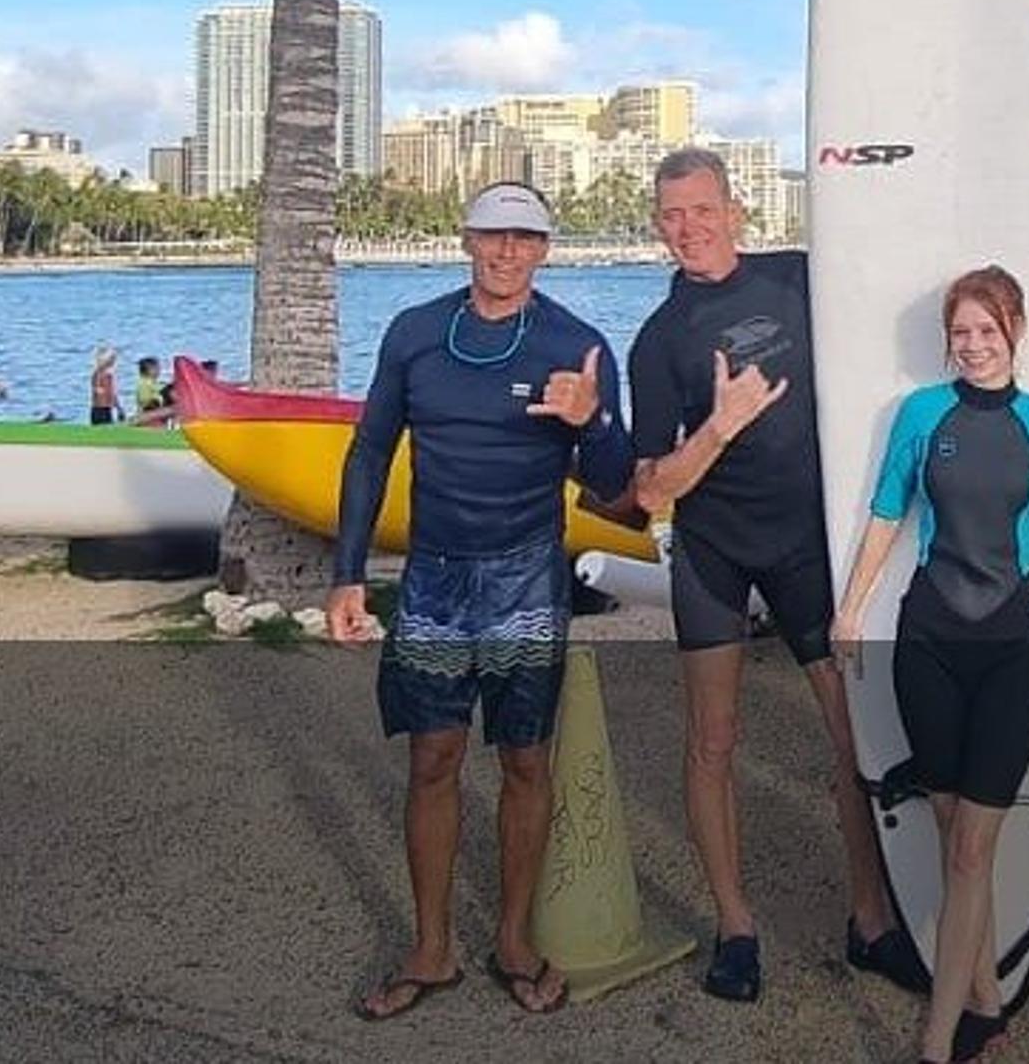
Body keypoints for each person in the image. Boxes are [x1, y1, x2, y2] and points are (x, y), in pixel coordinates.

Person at [324, 180, 634, 1021]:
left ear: (544, 248)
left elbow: (616, 488)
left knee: (526, 760)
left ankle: (513, 938)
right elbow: (368, 452)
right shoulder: (417, 332)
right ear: (466, 238)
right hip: (433, 577)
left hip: (528, 576)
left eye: (524, 238)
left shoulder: (577, 344)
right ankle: (431, 947)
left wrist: (592, 418)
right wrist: (348, 573)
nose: (506, 252)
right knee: (432, 758)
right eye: (492, 235)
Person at [625, 146, 912, 1004]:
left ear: (735, 209)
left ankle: (871, 920)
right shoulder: (658, 340)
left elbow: (906, 270)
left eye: (702, 209)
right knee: (712, 744)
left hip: (804, 547)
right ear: (657, 224)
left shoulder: (796, 278)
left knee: (852, 737)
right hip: (713, 551)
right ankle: (736, 925)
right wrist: (719, 425)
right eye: (672, 215)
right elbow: (651, 492)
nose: (689, 229)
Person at [833, 265, 1029, 1064]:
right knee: (955, 837)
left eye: (988, 330)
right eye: (962, 332)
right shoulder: (923, 413)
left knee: (973, 848)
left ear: (1015, 330)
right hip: (928, 642)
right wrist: (852, 607)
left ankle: (939, 1037)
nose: (974, 345)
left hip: (1011, 644)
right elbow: (887, 511)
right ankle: (983, 998)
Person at [89, 347, 121, 425]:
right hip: (101, 408)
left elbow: (111, 393)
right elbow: (110, 393)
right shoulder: (102, 375)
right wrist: (118, 407)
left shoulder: (101, 374)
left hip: (102, 407)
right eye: (112, 359)